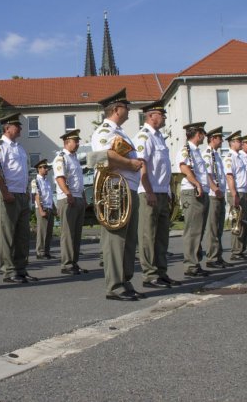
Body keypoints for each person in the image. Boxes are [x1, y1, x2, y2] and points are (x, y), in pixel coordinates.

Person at [90, 88, 144, 301]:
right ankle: (114, 285)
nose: (129, 109)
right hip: (114, 187)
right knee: (116, 238)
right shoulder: (104, 131)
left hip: (127, 187)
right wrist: (131, 163)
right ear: (116, 109)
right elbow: (102, 156)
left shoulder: (120, 133)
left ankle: (125, 280)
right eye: (126, 106)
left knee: (129, 239)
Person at [134, 100, 181, 288]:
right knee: (148, 235)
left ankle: (162, 272)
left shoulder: (159, 137)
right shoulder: (143, 137)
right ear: (151, 115)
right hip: (149, 193)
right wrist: (149, 190)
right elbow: (141, 166)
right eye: (162, 114)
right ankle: (150, 275)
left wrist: (167, 191)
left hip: (161, 192)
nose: (164, 117)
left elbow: (163, 168)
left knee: (162, 236)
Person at [0, 112, 36, 284]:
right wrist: (5, 191)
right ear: (7, 127)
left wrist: (26, 193)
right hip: (7, 194)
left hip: (21, 194)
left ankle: (20, 269)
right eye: (17, 125)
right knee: (7, 235)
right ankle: (9, 271)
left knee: (22, 236)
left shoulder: (19, 148)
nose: (21, 128)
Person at [176, 121, 212, 277]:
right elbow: (183, 167)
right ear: (198, 134)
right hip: (191, 192)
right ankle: (190, 265)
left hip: (200, 192)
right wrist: (197, 183)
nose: (204, 136)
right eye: (203, 134)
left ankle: (195, 263)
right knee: (192, 230)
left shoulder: (196, 151)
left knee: (199, 230)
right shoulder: (186, 150)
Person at [53, 130, 87, 274]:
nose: (78, 143)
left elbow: (79, 180)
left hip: (78, 197)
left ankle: (74, 262)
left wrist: (83, 197)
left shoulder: (75, 158)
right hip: (68, 199)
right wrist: (68, 194)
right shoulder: (61, 158)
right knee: (68, 234)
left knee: (77, 233)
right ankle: (66, 264)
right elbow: (60, 178)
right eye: (75, 141)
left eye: (78, 141)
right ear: (67, 142)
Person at [202, 127, 231, 269]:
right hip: (213, 195)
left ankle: (218, 256)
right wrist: (215, 189)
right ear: (213, 139)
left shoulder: (217, 155)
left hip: (220, 194)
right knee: (212, 229)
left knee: (219, 228)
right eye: (220, 138)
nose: (222, 141)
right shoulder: (207, 155)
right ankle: (212, 258)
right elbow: (207, 175)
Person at [224, 131, 247, 261]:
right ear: (232, 143)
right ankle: (236, 252)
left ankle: (241, 250)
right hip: (237, 192)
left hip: (244, 191)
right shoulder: (230, 157)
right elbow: (229, 177)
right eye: (239, 141)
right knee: (237, 222)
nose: (241, 143)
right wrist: (234, 194)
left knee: (245, 222)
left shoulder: (239, 157)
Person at [32, 159, 55, 260]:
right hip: (42, 208)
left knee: (49, 232)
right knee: (42, 232)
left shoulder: (47, 181)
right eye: (44, 167)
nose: (46, 169)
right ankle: (40, 252)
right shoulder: (35, 181)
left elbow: (49, 196)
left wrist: (54, 208)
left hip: (49, 207)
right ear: (39, 169)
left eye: (47, 167)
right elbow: (37, 196)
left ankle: (46, 251)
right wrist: (41, 210)